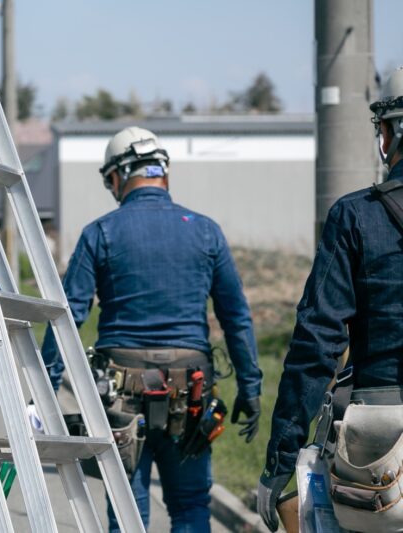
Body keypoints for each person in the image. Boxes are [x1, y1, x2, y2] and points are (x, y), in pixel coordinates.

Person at [41, 126, 263, 532]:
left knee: (127, 507)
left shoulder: (100, 233)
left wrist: (45, 387)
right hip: (190, 391)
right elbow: (235, 315)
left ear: (119, 175)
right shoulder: (205, 230)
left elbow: (68, 315)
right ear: (163, 172)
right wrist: (249, 386)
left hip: (120, 394)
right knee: (191, 505)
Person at [258, 67, 403, 532]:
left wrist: (280, 461)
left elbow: (317, 343)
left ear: (391, 132)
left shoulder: (356, 216)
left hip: (380, 442)